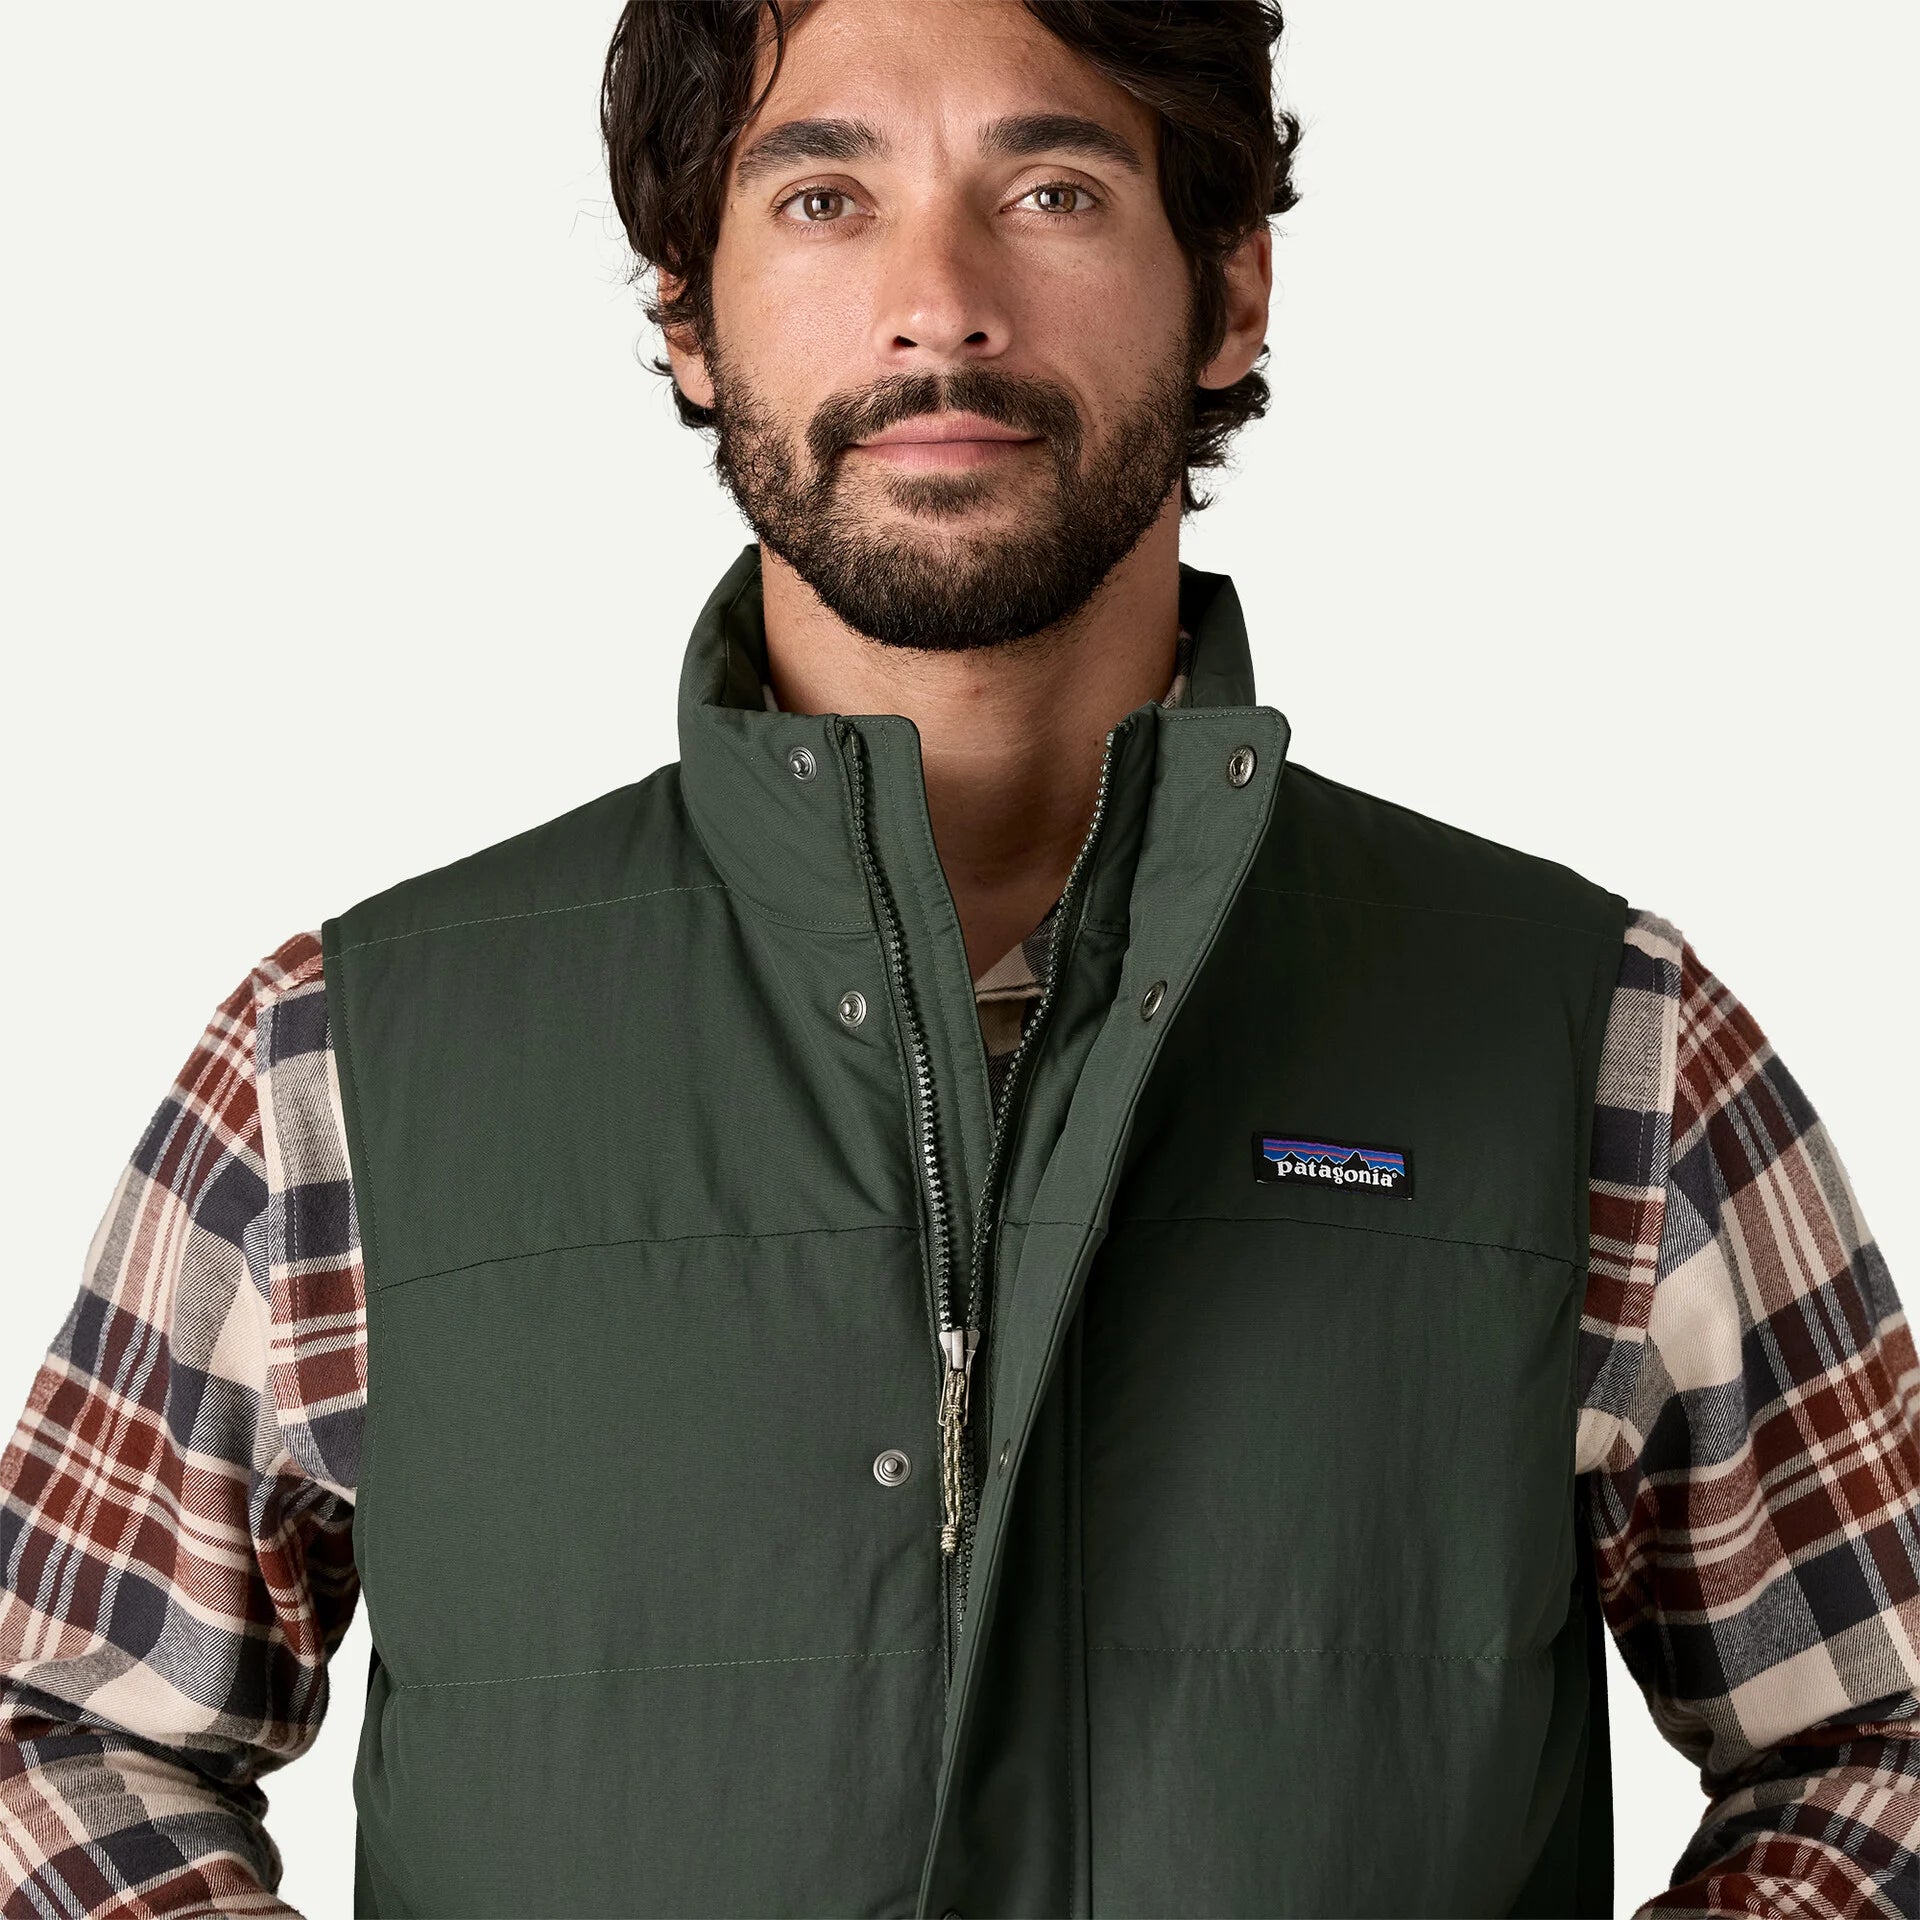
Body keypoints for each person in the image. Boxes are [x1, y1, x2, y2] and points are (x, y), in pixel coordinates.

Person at [3, 2, 1915, 1914]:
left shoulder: (1594, 1042)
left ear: (1231, 290)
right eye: (824, 198)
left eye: (1053, 189)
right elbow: (58, 1734)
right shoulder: (347, 1067)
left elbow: (1881, 1737)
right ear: (687, 311)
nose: (941, 307)